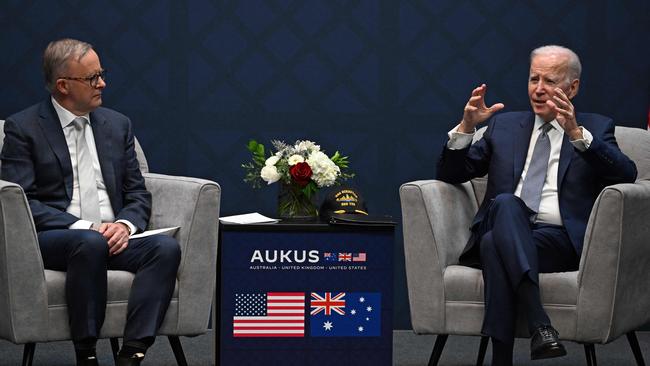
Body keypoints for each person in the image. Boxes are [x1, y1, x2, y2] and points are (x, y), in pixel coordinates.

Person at [436, 45, 637, 365]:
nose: (539, 89)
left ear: (573, 88)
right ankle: (540, 324)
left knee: (492, 245)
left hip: (558, 240)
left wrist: (576, 134)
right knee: (505, 204)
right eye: (533, 79)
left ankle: (501, 359)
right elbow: (451, 173)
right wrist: (466, 128)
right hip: (506, 218)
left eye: (550, 81)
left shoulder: (596, 128)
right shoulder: (503, 127)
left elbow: (626, 174)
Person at [0, 39, 181, 366]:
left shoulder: (117, 125)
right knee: (89, 243)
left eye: (101, 74)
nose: (102, 83)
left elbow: (137, 192)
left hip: (111, 236)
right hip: (59, 236)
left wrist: (123, 226)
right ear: (63, 85)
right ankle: (87, 353)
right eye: (92, 77)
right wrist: (89, 228)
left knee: (165, 249)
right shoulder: (24, 128)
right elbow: (22, 201)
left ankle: (132, 352)